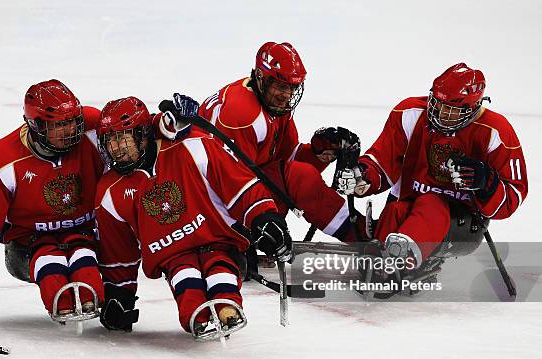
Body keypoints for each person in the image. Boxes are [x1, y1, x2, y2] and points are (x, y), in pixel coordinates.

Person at [94, 95, 291, 338]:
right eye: (109, 140)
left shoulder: (192, 146)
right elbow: (118, 252)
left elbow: (237, 183)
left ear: (143, 135)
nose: (116, 148)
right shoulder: (110, 191)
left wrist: (264, 217)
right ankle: (198, 316)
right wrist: (119, 295)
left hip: (217, 240)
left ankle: (227, 307)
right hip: (173, 256)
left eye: (122, 138)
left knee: (219, 268)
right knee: (186, 280)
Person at [0, 79, 106, 323]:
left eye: (72, 121)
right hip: (27, 246)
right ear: (35, 126)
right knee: (51, 262)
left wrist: (168, 126)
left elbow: (136, 135)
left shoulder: (92, 127)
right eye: (59, 125)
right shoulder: (1, 163)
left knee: (85, 256)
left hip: (89, 234)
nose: (70, 130)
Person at [336, 63, 528, 270]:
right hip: (410, 207)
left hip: (462, 224)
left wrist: (486, 182)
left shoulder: (496, 132)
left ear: (472, 107)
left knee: (431, 202)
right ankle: (379, 263)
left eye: (452, 109)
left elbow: (514, 194)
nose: (442, 113)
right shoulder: (410, 113)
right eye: (438, 104)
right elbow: (383, 159)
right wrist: (363, 175)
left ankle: (401, 260)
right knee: (394, 210)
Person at [198, 42, 359, 242]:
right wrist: (260, 225)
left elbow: (286, 157)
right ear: (260, 77)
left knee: (302, 175)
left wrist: (320, 152)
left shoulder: (272, 102)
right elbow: (229, 184)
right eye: (282, 86)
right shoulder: (241, 116)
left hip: (234, 186)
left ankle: (357, 231)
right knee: (300, 177)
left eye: (293, 87)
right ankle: (234, 243)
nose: (288, 95)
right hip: (208, 206)